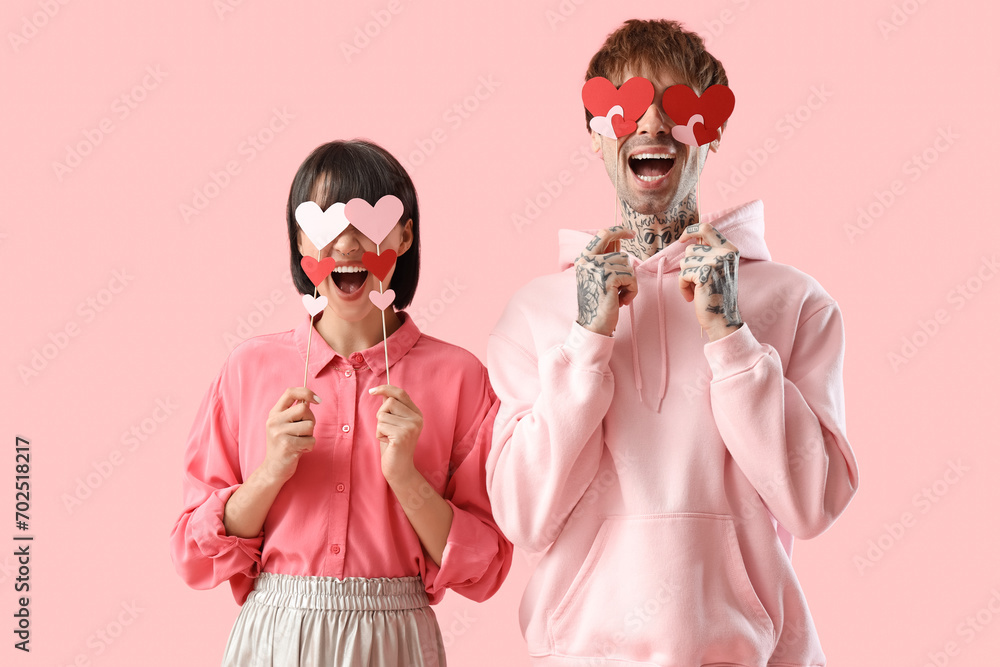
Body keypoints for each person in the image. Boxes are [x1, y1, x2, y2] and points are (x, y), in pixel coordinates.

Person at [485, 19, 860, 666]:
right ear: (596, 134)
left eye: (679, 108)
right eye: (625, 107)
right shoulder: (534, 313)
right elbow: (521, 515)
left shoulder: (795, 303)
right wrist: (586, 339)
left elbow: (813, 501)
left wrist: (732, 337)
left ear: (711, 130)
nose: (653, 126)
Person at [170, 139, 512, 666]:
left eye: (368, 223)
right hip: (275, 638)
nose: (347, 244)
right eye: (325, 223)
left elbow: (485, 567)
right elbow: (193, 554)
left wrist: (406, 477)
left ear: (405, 234)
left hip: (395, 640)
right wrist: (270, 472)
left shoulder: (461, 378)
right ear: (299, 239)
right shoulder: (247, 369)